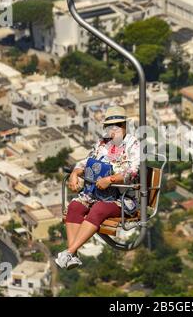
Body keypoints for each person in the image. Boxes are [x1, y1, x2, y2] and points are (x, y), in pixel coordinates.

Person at [55, 106, 140, 269]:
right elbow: (86, 162)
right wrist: (75, 173)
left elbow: (132, 171)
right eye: (109, 127)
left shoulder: (133, 145)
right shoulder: (102, 144)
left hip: (121, 198)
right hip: (96, 193)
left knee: (99, 209)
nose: (112, 131)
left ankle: (69, 252)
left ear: (123, 126)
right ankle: (72, 256)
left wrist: (111, 179)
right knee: (75, 206)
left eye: (116, 126)